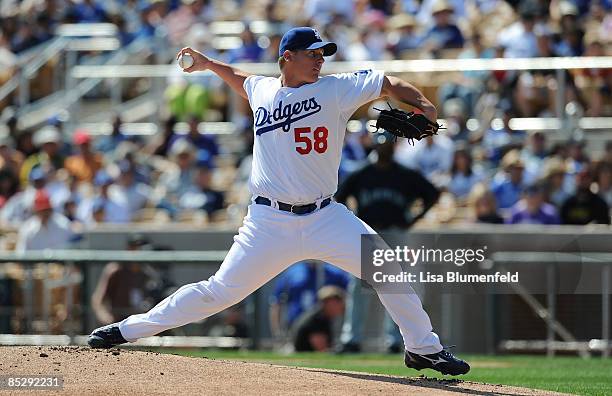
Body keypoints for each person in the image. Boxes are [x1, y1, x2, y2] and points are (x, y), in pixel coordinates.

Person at [88, 26, 469, 376]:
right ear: (287, 56)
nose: (321, 60)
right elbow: (239, 79)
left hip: (326, 216)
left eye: (324, 54)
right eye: (313, 53)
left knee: (388, 271)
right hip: (268, 223)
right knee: (217, 292)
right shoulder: (264, 89)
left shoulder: (335, 89)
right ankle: (125, 330)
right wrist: (207, 64)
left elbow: (388, 82)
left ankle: (423, 348)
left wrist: (426, 106)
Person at [335, 132, 440, 353]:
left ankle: (394, 339)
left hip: (395, 232)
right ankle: (351, 338)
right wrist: (352, 219)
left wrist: (413, 219)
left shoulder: (404, 174)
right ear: (375, 145)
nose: (385, 149)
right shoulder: (363, 173)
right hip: (368, 232)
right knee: (358, 286)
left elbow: (432, 194)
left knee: (396, 285)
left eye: (388, 145)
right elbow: (339, 196)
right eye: (381, 144)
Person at [292, 286, 346, 352]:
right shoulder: (317, 320)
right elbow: (321, 349)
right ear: (328, 303)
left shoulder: (323, 317)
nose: (342, 305)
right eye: (338, 301)